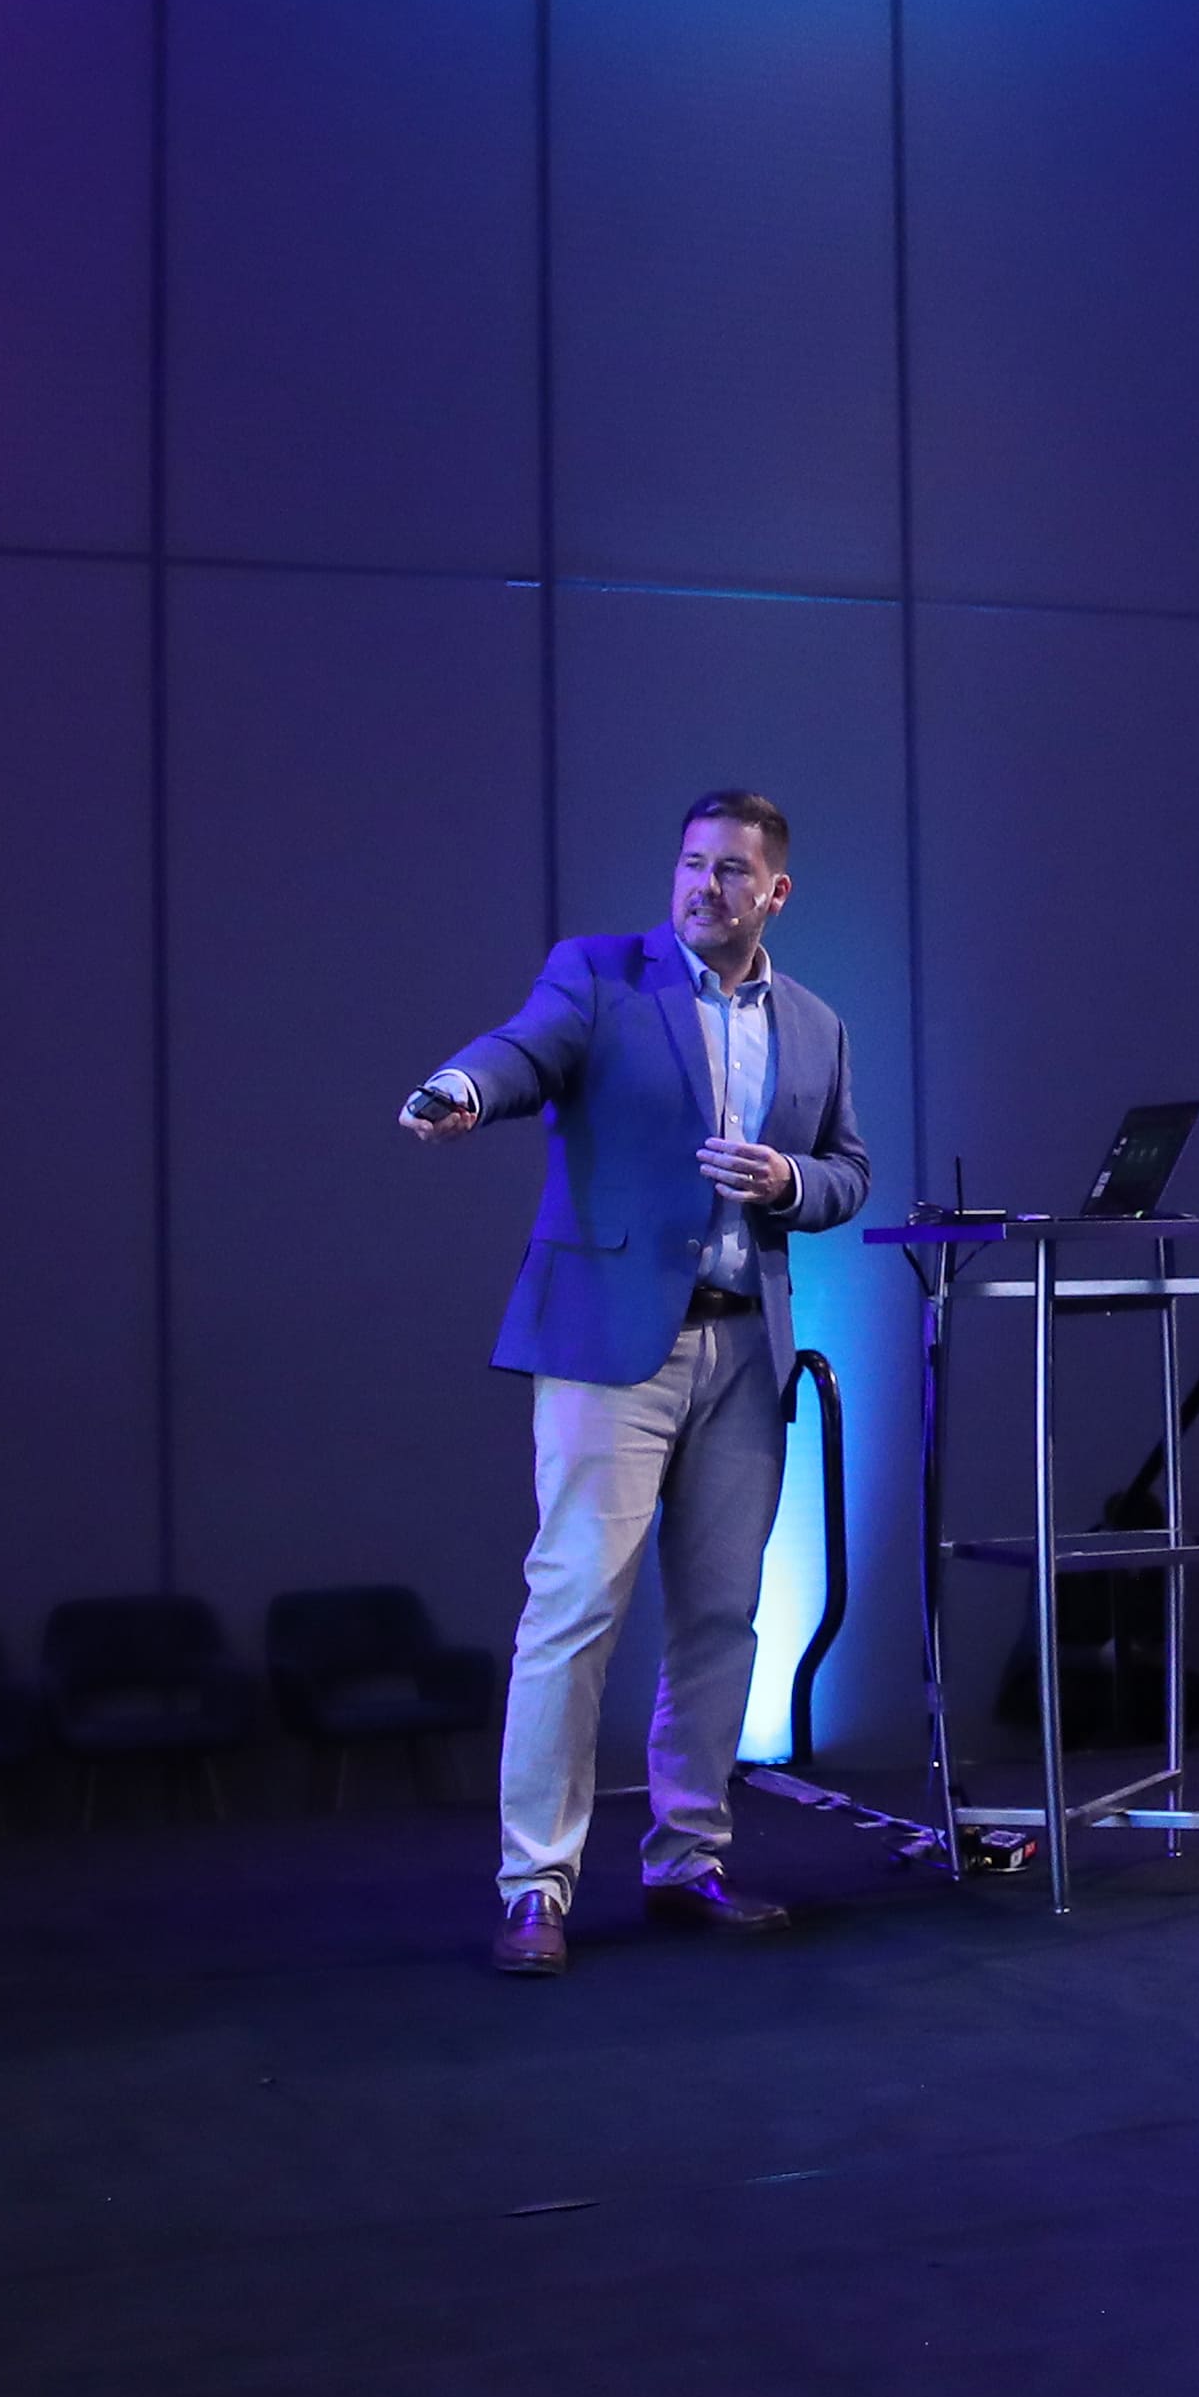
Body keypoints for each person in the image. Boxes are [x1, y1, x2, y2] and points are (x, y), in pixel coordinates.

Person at [407, 787, 873, 1979]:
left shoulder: (815, 1024)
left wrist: (789, 1183)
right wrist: (464, 1089)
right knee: (573, 1611)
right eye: (692, 864)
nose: (704, 886)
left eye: (731, 871)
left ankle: (688, 1860)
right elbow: (525, 1052)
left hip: (745, 1347)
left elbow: (849, 1171)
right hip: (609, 1344)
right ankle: (535, 1886)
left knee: (722, 1616)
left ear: (776, 892)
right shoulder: (600, 975)